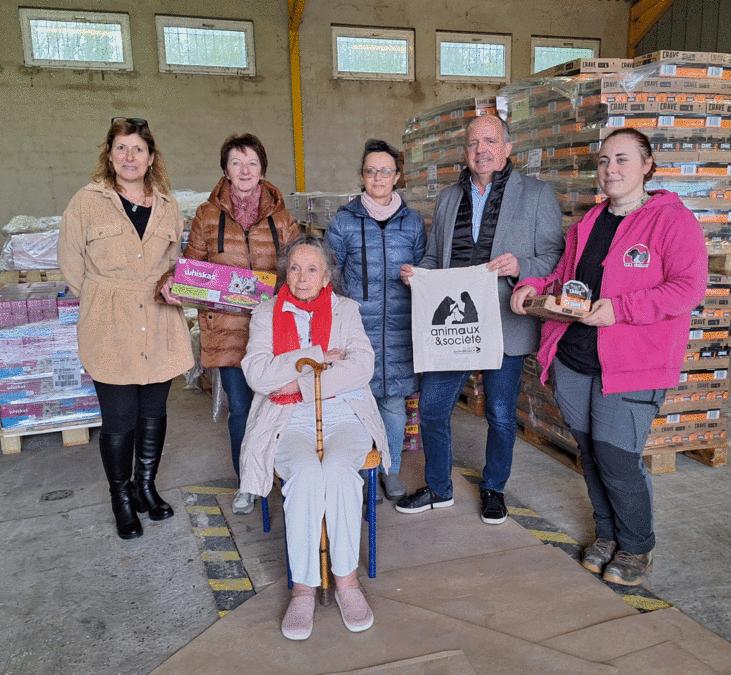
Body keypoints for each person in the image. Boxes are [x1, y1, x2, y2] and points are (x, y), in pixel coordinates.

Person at [510, 128, 708, 585]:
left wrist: (620, 309)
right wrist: (535, 289)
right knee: (592, 454)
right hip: (576, 358)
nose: (610, 169)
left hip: (632, 363)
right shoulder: (589, 222)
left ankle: (637, 547)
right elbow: (565, 276)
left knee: (618, 458)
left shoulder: (671, 221)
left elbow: (687, 288)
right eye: (603, 160)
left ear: (647, 166)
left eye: (622, 159)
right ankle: (606, 536)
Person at [395, 114, 563, 524]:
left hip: (505, 321)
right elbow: (437, 257)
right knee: (433, 407)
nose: (481, 149)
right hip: (453, 326)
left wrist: (520, 265)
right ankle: (438, 487)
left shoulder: (536, 195)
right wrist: (418, 273)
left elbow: (555, 258)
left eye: (490, 141)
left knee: (501, 414)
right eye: (473, 143)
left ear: (507, 148)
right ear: (465, 152)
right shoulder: (450, 198)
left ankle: (494, 489)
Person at [237, 236, 389, 640]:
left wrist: (296, 381)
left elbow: (361, 368)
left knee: (338, 473)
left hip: (344, 414)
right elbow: (256, 373)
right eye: (294, 269)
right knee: (305, 476)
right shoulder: (266, 314)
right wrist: (320, 357)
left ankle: (347, 583)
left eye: (311, 270)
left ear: (326, 277)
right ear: (285, 273)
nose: (301, 278)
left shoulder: (346, 310)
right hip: (289, 419)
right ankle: (303, 589)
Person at [59, 117, 194, 540]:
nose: (129, 157)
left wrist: (171, 284)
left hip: (157, 318)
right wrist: (105, 297)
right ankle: (121, 497)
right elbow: (70, 261)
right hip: (109, 319)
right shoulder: (86, 201)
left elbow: (175, 262)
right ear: (109, 154)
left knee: (154, 412)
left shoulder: (169, 204)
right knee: (119, 419)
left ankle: (145, 488)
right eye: (121, 148)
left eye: (138, 149)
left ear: (151, 157)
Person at [165, 134, 300, 515]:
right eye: (237, 162)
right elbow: (193, 269)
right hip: (227, 328)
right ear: (225, 168)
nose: (244, 170)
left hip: (273, 329)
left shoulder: (282, 218)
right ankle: (247, 483)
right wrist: (179, 285)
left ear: (262, 171)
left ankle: (286, 472)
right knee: (241, 409)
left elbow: (295, 269)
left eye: (252, 163)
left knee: (281, 404)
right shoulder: (208, 215)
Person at [325, 139, 426, 502]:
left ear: (397, 176)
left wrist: (419, 272)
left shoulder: (412, 222)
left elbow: (426, 264)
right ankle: (357, 467)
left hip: (400, 325)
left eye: (386, 171)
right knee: (353, 400)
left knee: (394, 404)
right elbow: (330, 275)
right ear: (362, 176)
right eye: (371, 170)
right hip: (358, 329)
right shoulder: (344, 222)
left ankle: (389, 469)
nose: (378, 177)